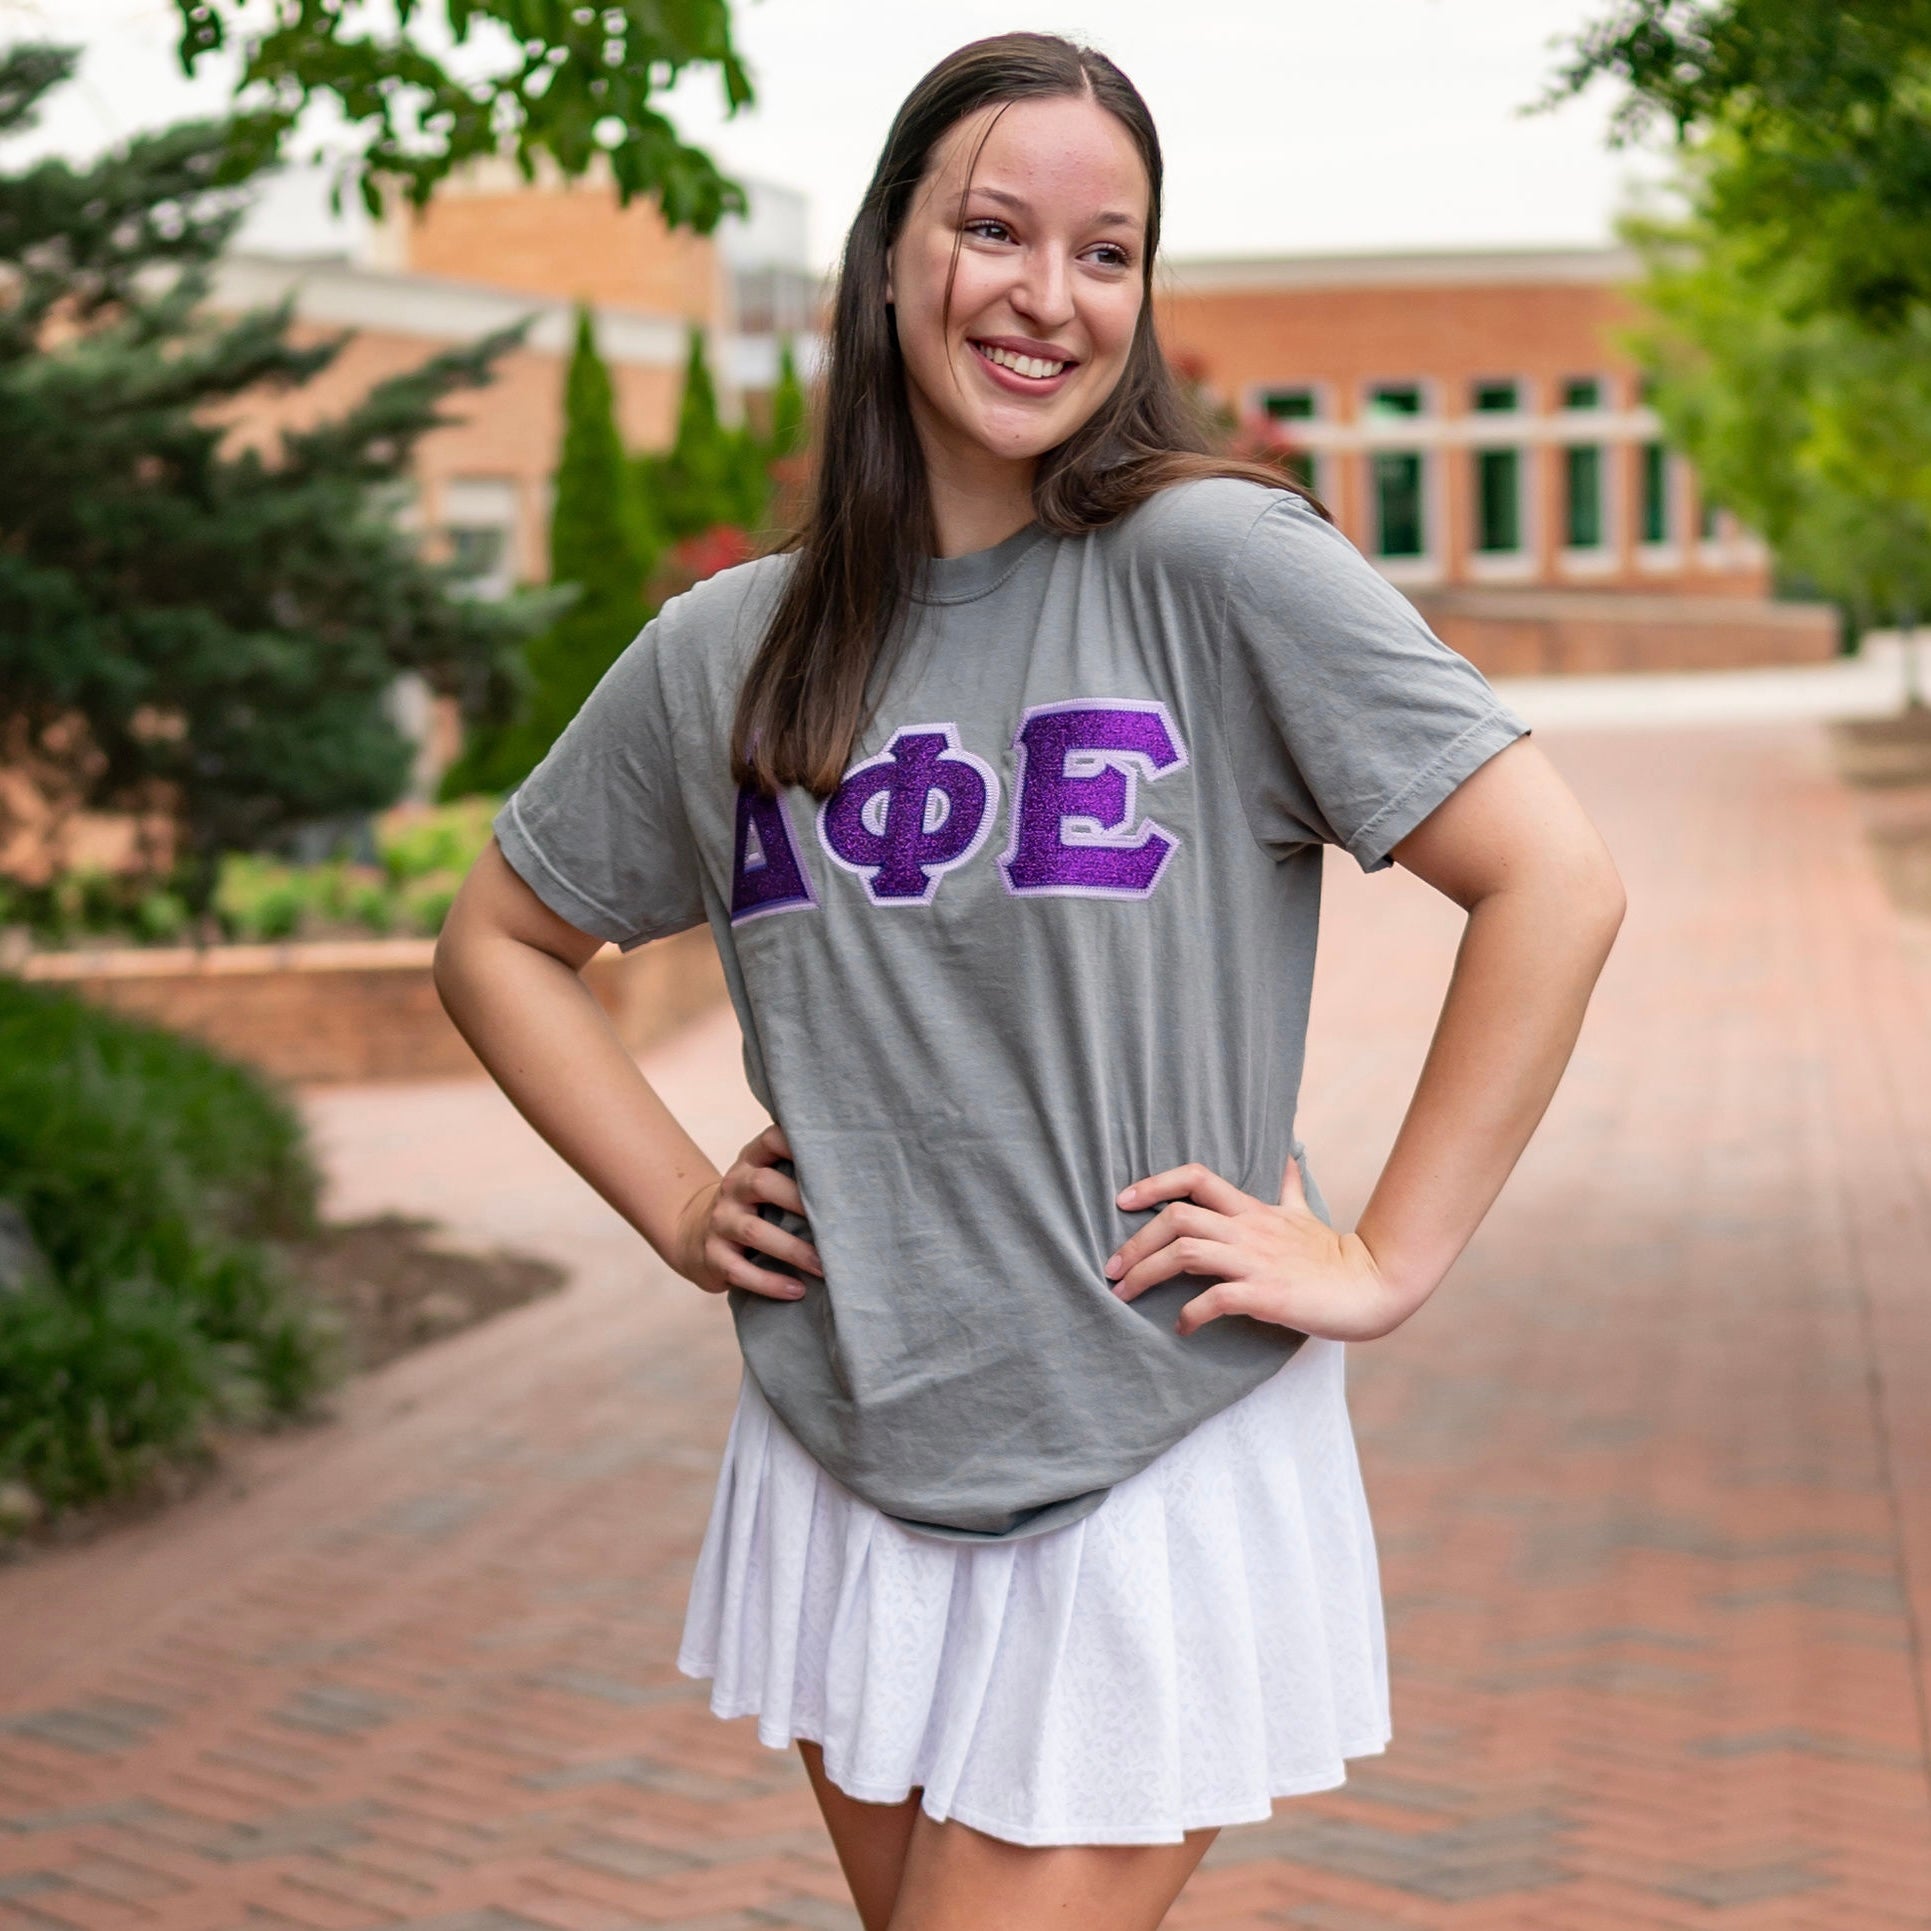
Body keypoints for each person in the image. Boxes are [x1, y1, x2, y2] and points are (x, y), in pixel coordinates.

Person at [433, 30, 1626, 1931]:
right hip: (847, 1441)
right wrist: (673, 1196)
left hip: (1148, 1433)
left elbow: (1553, 880)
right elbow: (498, 940)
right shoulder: (725, 648)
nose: (1046, 297)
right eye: (996, 229)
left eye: (1107, 251)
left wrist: (1389, 1255)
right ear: (892, 247)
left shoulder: (1214, 564)